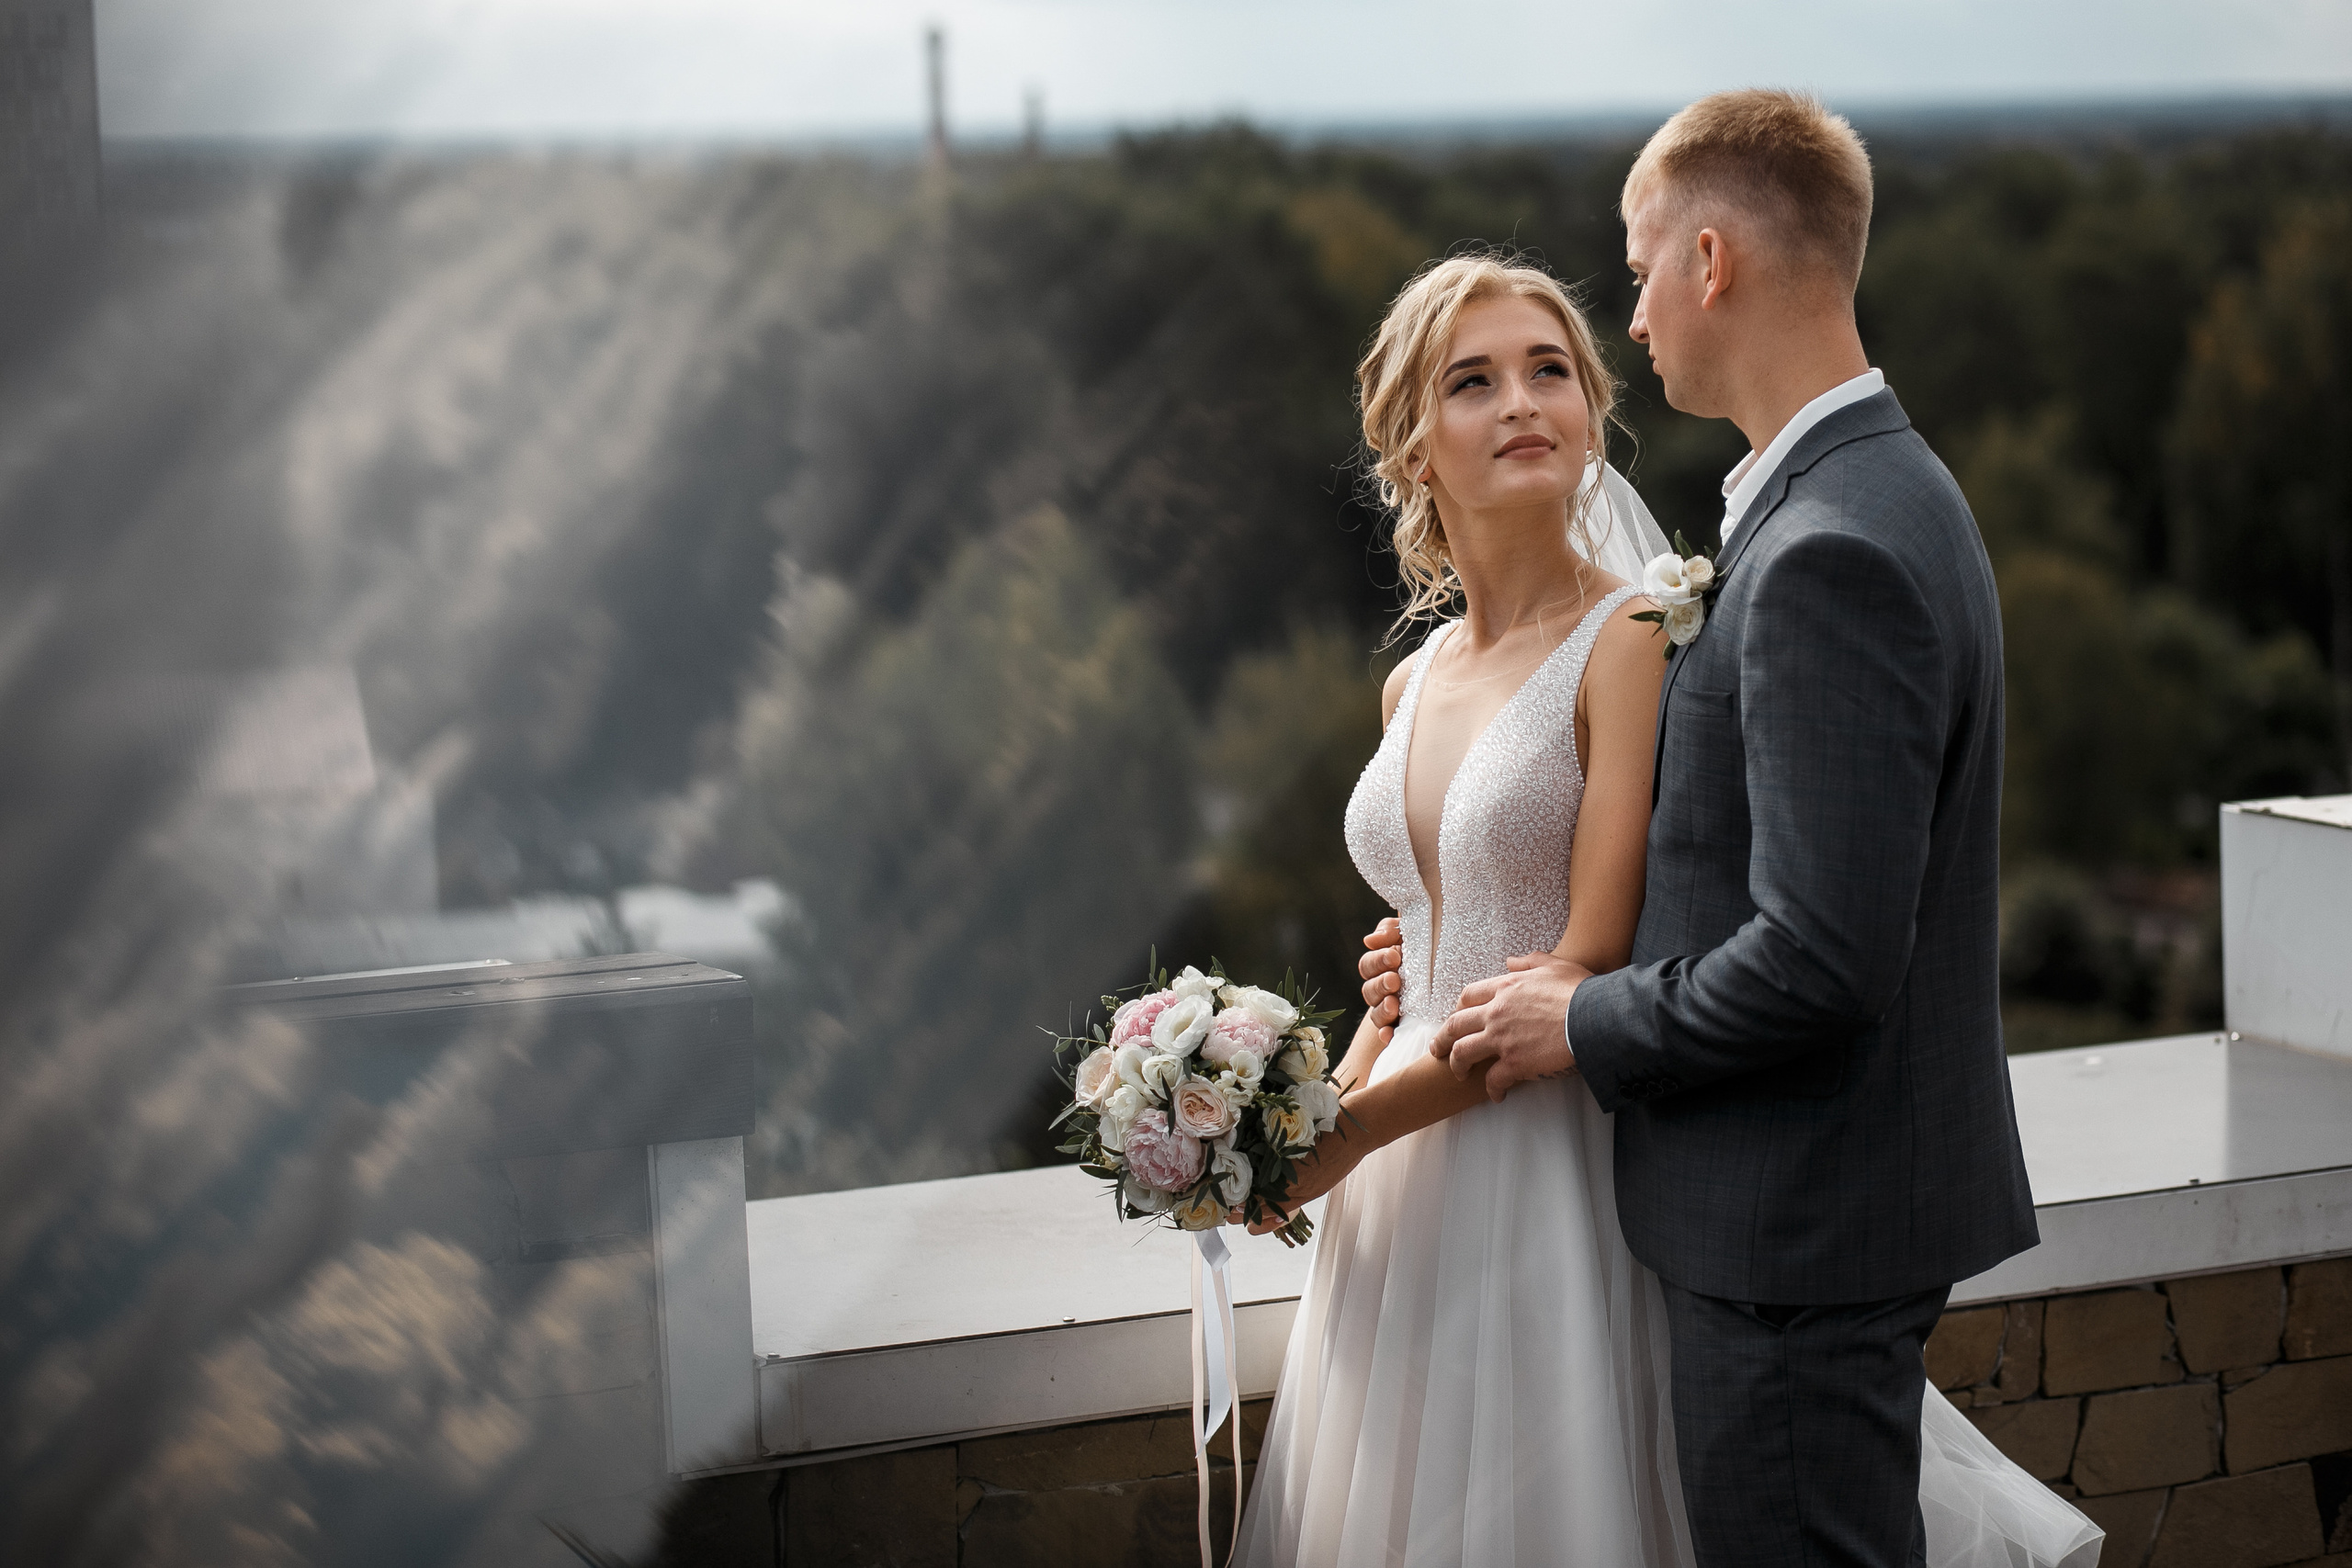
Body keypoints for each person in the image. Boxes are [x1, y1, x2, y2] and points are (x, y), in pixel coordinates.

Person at [1239, 94, 2101, 1568]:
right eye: (1474, 382)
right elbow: (1504, 914)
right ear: (1412, 446)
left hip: (1675, 1197)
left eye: (1617, 295)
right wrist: (1360, 1033)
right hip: (1462, 1183)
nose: (1623, 325)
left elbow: (1817, 952)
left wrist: (1328, 1138)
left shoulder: (1792, 561)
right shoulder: (1850, 503)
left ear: (1709, 261)